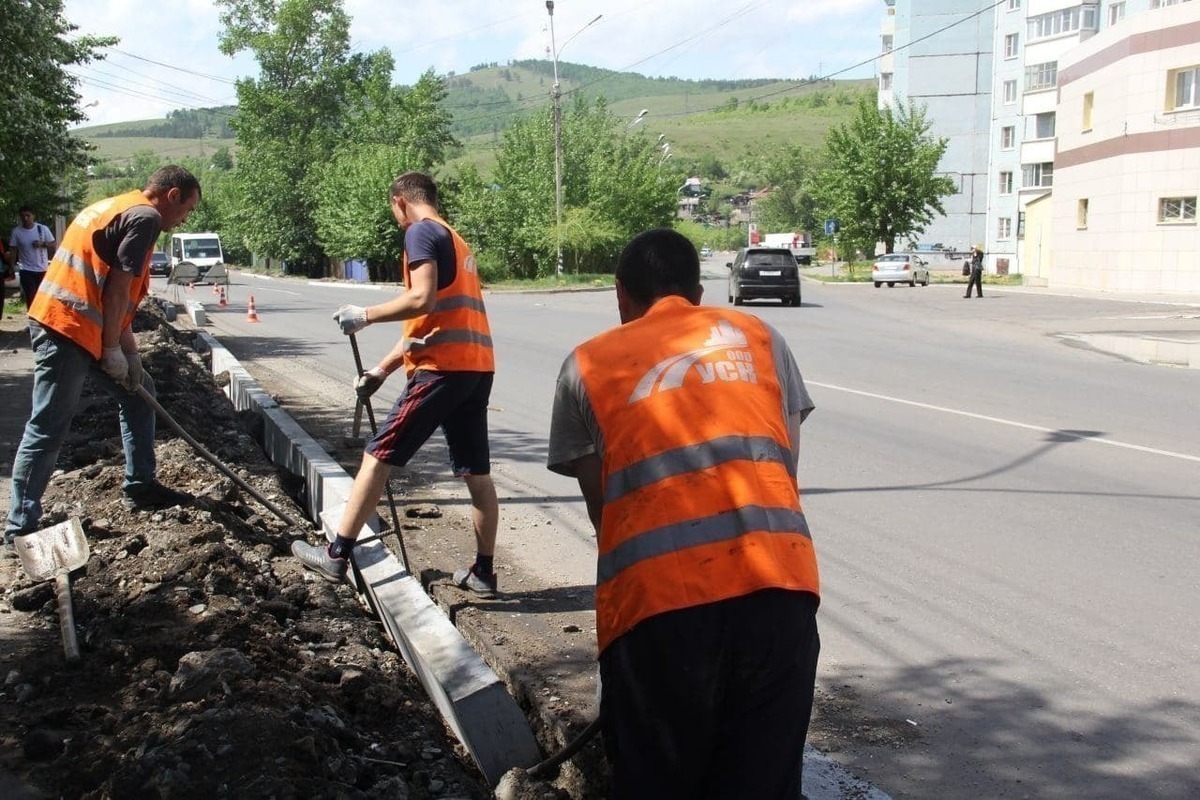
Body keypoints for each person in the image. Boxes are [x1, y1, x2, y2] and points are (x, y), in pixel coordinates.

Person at [546, 228, 821, 799]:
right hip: (780, 598)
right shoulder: (760, 336)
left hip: (659, 612)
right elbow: (784, 466)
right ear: (698, 292)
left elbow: (608, 516)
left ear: (621, 295)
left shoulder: (586, 365)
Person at [290, 171, 501, 594]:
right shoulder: (454, 239)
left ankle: (335, 557)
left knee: (377, 456)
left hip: (441, 368)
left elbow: (420, 300)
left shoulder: (420, 232)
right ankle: (483, 572)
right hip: (475, 368)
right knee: (476, 472)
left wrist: (364, 315)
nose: (396, 219)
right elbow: (426, 323)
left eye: (393, 210)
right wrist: (381, 371)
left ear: (400, 201)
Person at [4, 166, 201, 545]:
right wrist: (111, 350)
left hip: (80, 325)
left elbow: (116, 298)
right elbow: (114, 292)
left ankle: (140, 485)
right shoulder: (145, 218)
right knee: (48, 425)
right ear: (171, 195)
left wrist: (130, 354)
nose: (183, 219)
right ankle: (20, 527)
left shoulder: (119, 206)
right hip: (65, 328)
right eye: (187, 209)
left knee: (140, 392)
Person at [8, 206, 56, 308]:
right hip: (26, 269)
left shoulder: (42, 229)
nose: (25, 218)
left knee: (42, 295)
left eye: (28, 215)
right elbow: (13, 249)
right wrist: (11, 266)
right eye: (22, 216)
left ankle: (42, 318)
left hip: (42, 268)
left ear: (33, 216)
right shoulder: (17, 232)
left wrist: (43, 244)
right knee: (30, 295)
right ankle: (32, 318)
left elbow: (53, 244)